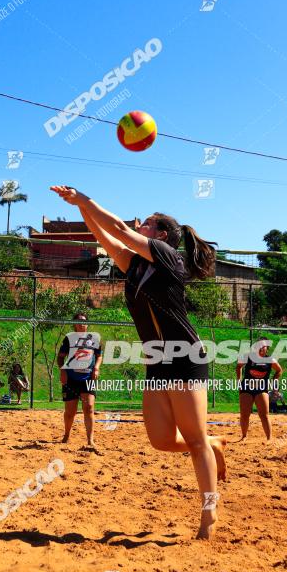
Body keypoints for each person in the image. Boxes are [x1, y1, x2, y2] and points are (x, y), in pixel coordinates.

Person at [50, 185, 226, 540]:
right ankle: (214, 444)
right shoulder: (134, 268)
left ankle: (209, 514)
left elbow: (118, 229)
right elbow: (105, 233)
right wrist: (81, 209)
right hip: (157, 363)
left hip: (186, 357)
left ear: (160, 235)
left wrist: (85, 198)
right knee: (161, 441)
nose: (139, 225)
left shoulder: (166, 255)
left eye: (146, 224)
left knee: (193, 441)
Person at [57, 312, 102, 450]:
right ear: (74, 324)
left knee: (89, 407)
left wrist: (96, 368)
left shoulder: (94, 338)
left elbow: (99, 356)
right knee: (70, 412)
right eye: (78, 320)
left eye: (83, 320)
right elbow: (60, 357)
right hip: (71, 379)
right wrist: (63, 370)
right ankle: (66, 435)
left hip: (88, 378)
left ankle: (90, 441)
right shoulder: (69, 339)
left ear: (87, 324)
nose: (81, 323)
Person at [236, 338, 282, 440]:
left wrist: (274, 381)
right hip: (246, 388)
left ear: (267, 348)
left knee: (264, 415)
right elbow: (238, 366)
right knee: (244, 415)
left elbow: (279, 370)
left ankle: (269, 438)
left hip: (261, 389)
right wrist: (239, 382)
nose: (261, 347)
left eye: (263, 346)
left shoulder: (270, 360)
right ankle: (244, 436)